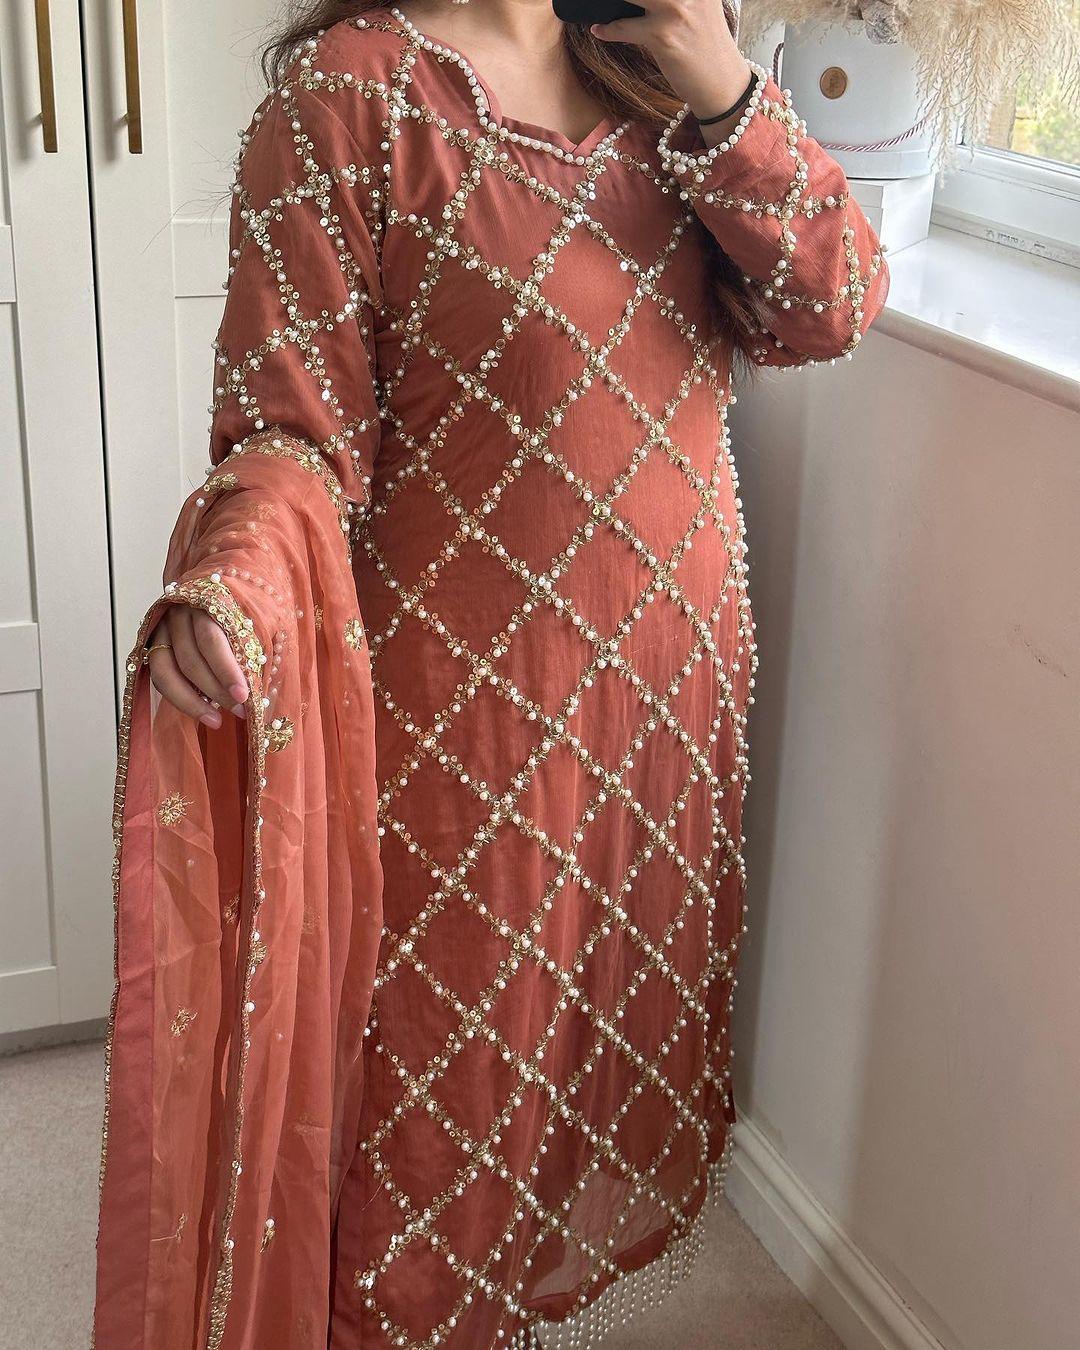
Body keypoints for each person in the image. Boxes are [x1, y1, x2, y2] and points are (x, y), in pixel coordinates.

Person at [93, 2, 888, 1346]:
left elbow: (834, 306)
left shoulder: (668, 63)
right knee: (438, 1095)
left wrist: (718, 81)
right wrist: (235, 574)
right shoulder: (350, 96)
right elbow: (292, 428)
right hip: (469, 714)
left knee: (580, 1067)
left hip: (664, 690)